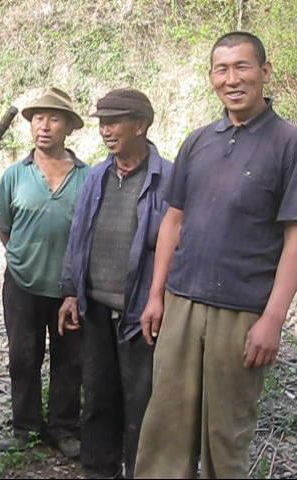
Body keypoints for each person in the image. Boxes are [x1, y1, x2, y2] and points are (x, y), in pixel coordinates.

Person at [135, 31, 297, 478]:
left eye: (242, 67)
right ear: (211, 78)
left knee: (226, 436)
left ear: (265, 73)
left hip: (242, 312)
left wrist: (272, 320)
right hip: (183, 302)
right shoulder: (199, 141)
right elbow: (173, 221)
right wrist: (156, 294)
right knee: (165, 426)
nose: (232, 79)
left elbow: (294, 241)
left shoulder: (288, 143)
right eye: (221, 69)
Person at [58, 88, 172, 478]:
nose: (105, 131)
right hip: (96, 308)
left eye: (114, 122)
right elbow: (79, 236)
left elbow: (176, 247)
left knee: (141, 400)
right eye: (102, 123)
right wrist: (71, 291)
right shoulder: (96, 176)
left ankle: (140, 469)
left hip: (142, 312)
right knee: (98, 396)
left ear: (140, 125)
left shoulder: (167, 178)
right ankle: (99, 470)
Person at [0, 87, 88, 458]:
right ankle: (25, 428)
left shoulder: (88, 177)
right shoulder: (15, 175)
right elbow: (6, 229)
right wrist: (26, 260)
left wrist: (74, 285)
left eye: (53, 119)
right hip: (22, 285)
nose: (43, 127)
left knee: (70, 360)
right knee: (23, 356)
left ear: (68, 127)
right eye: (37, 119)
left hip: (70, 290)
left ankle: (65, 428)